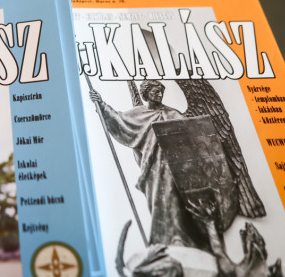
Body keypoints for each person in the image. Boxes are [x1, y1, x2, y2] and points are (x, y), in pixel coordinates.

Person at [89, 79, 209, 250]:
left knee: (175, 198)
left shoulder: (173, 114)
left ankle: (181, 237)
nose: (159, 94)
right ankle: (163, 239)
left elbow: (191, 137)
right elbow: (119, 120)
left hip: (174, 167)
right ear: (146, 94)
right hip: (153, 168)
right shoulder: (138, 114)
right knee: (158, 200)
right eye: (155, 91)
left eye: (161, 91)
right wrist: (101, 104)